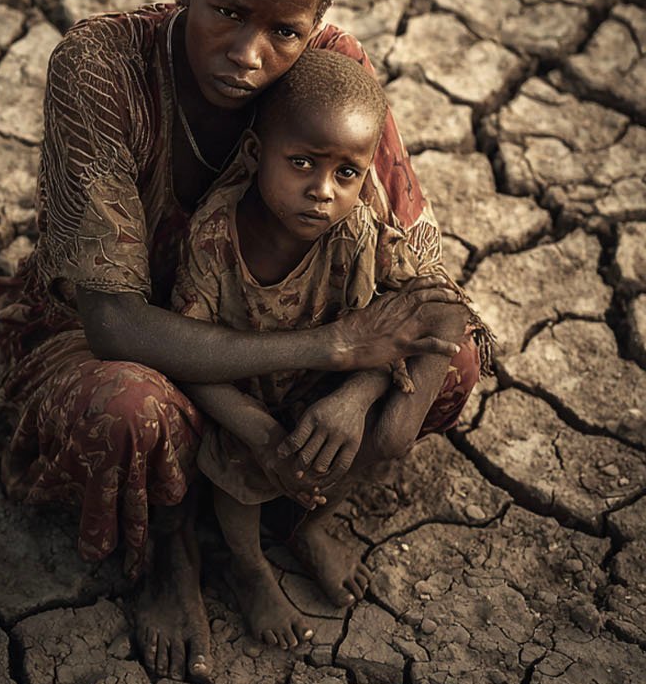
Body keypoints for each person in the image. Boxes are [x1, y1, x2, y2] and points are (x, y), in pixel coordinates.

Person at [0, 0, 481, 680]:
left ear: (317, 24)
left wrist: (360, 393)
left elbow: (427, 281)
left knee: (451, 366)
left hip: (272, 335)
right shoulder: (102, 70)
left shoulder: (331, 76)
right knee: (131, 412)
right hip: (120, 338)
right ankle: (173, 552)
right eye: (226, 13)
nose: (252, 55)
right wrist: (332, 350)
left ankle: (298, 509)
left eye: (286, 31)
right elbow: (114, 322)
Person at [172, 48, 491, 651]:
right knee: (240, 476)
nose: (322, 191)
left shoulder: (357, 231)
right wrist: (263, 436)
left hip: (327, 400)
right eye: (300, 163)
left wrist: (359, 398)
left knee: (375, 433)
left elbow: (442, 304)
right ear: (253, 155)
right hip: (247, 407)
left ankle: (309, 525)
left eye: (347, 173)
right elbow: (189, 360)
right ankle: (248, 567)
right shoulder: (215, 238)